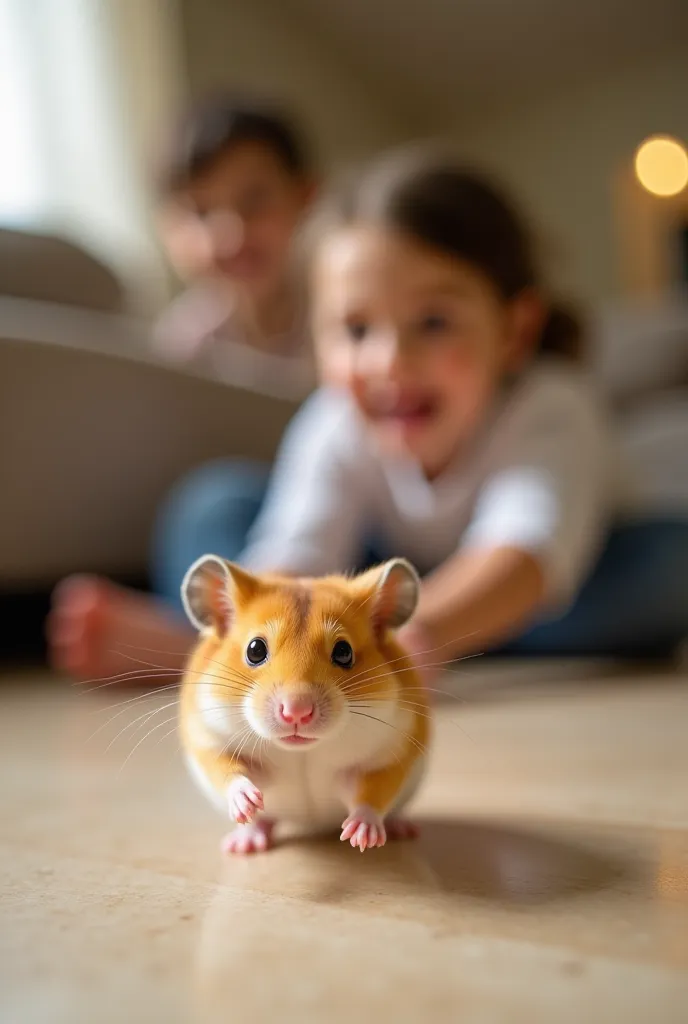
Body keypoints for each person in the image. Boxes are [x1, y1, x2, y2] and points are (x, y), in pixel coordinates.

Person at [51, 146, 688, 685]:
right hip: (377, 601)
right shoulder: (336, 419)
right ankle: (251, 655)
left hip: (551, 589)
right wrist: (275, 621)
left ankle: (387, 647)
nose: (390, 361)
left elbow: (526, 554)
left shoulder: (553, 404)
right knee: (215, 506)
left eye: (433, 323)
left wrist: (413, 631)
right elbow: (297, 547)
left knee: (666, 566)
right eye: (356, 329)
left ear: (514, 330)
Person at [48, 94, 315, 680]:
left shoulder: (341, 312)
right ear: (167, 229)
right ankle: (222, 641)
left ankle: (204, 652)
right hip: (251, 518)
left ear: (304, 197)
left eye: (254, 201)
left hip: (335, 517)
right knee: (205, 508)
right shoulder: (184, 339)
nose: (230, 232)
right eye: (199, 212)